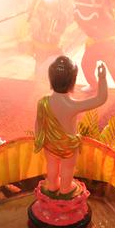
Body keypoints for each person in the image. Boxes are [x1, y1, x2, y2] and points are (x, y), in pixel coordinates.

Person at [34, 57, 108, 194]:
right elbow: (100, 99)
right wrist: (102, 78)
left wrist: (39, 140)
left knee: (51, 164)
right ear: (72, 82)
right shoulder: (72, 106)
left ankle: (52, 186)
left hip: (49, 144)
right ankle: (65, 188)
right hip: (68, 146)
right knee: (67, 167)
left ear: (51, 79)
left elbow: (38, 124)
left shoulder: (43, 102)